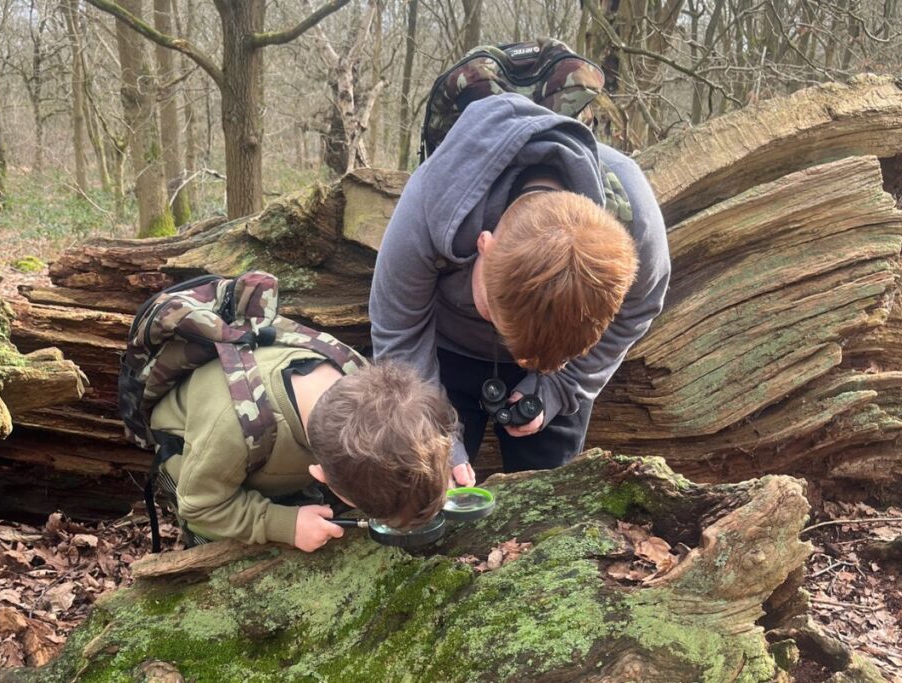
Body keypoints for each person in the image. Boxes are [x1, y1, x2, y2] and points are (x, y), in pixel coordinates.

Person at [370, 92, 671, 486]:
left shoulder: (633, 219)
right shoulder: (433, 200)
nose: (518, 356)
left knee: (549, 500)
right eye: (491, 311)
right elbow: (398, 331)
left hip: (559, 361)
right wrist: (432, 433)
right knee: (425, 481)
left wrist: (561, 383)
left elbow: (639, 308)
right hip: (445, 349)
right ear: (484, 245)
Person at [149, 349, 456, 553]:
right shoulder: (230, 430)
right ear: (319, 474)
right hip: (200, 471)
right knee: (223, 545)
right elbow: (199, 508)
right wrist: (283, 524)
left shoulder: (364, 384)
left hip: (267, 458)